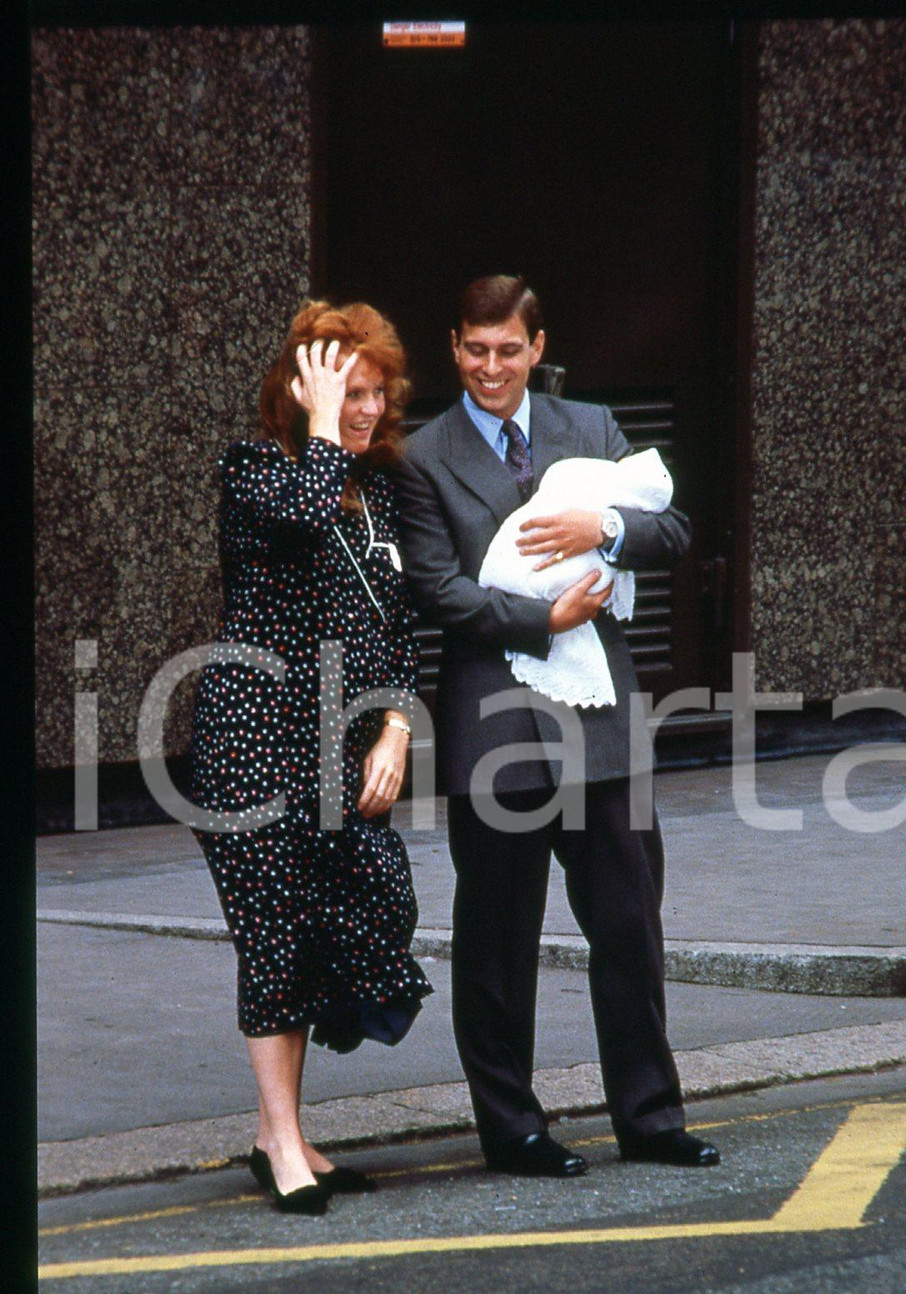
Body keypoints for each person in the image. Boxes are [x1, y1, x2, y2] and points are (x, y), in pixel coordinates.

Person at [395, 274, 719, 1178]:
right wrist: (549, 619)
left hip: (601, 723)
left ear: (538, 349)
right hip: (493, 726)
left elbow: (674, 532)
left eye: (509, 350)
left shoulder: (595, 431)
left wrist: (603, 523)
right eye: (474, 349)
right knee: (497, 939)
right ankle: (514, 1128)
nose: (491, 366)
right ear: (453, 347)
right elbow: (440, 593)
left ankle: (651, 1119)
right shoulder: (423, 457)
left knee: (628, 923)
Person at [189, 300, 433, 1214]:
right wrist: (323, 425)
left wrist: (397, 730)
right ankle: (284, 1143)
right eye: (346, 391)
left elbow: (398, 630)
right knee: (274, 935)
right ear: (299, 391)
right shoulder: (257, 470)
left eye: (374, 392)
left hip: (340, 742)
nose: (365, 409)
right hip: (252, 739)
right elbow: (294, 525)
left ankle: (277, 1131)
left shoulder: (377, 493)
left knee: (359, 907)